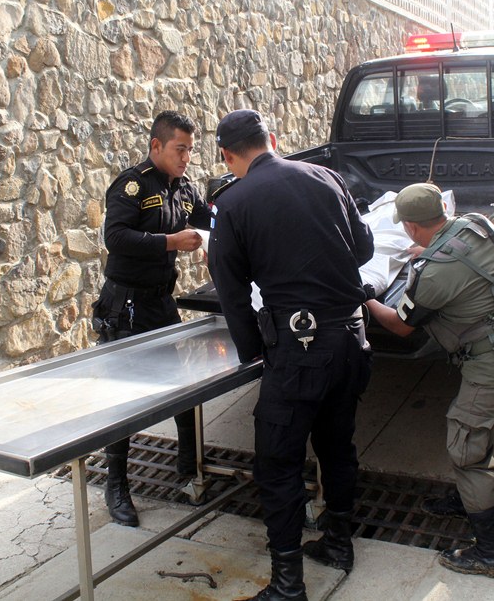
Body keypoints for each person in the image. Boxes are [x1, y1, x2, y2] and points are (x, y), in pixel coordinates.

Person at [208, 109, 374, 601]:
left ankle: (287, 585)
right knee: (336, 445)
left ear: (227, 156)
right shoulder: (327, 177)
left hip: (300, 347)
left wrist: (254, 354)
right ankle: (339, 544)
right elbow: (363, 249)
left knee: (277, 462)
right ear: (272, 140)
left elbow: (232, 293)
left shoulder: (234, 204)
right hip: (351, 339)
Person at [365, 182, 494, 580]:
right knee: (476, 429)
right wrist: (430, 256)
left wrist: (365, 298)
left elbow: (400, 325)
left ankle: (491, 555)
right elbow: (473, 262)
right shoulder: (475, 224)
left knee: (464, 444)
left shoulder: (432, 275)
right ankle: (468, 498)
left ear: (409, 226)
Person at [93, 110, 212, 527]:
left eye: (190, 151)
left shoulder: (182, 188)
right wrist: (170, 242)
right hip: (125, 305)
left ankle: (188, 466)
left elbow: (208, 218)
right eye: (180, 150)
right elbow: (116, 238)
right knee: (123, 397)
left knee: (183, 386)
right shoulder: (132, 185)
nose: (186, 159)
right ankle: (117, 485)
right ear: (156, 146)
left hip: (161, 303)